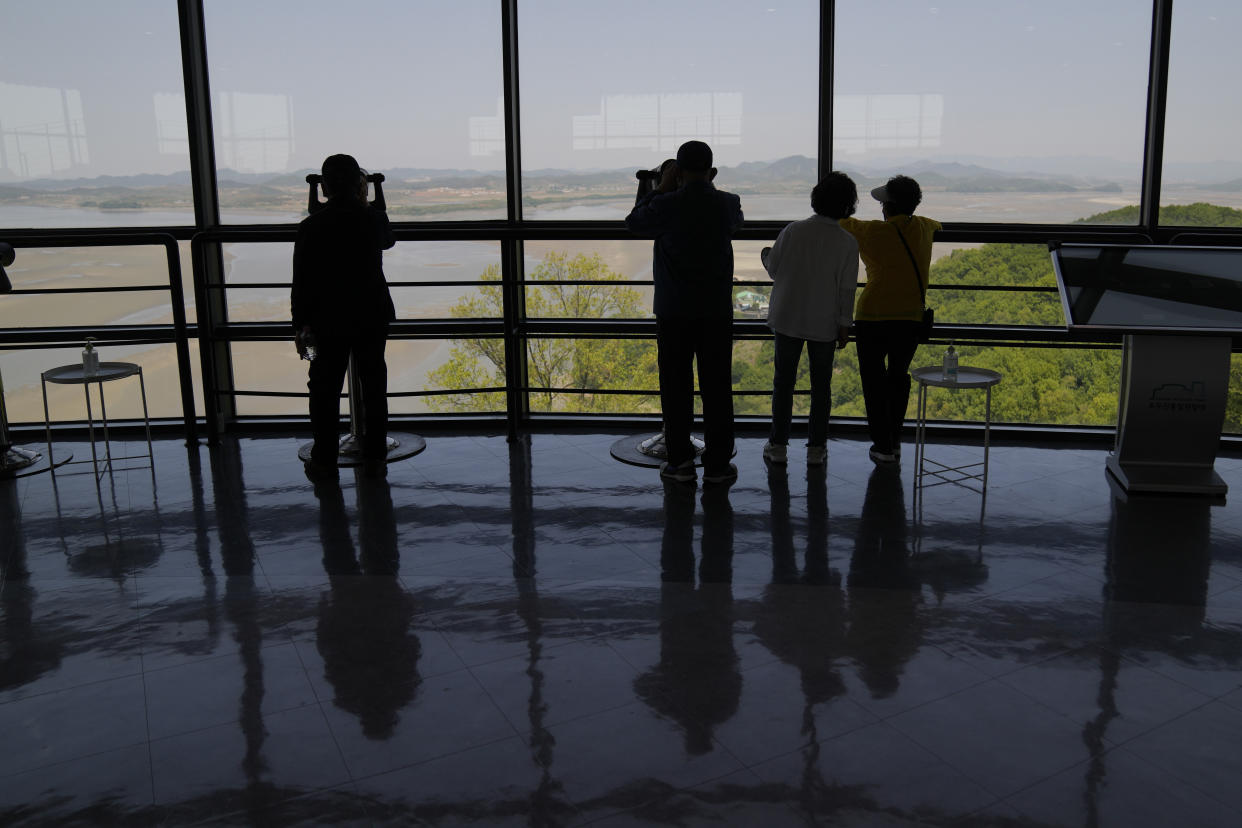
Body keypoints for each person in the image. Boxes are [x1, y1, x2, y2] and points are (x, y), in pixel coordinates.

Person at [626, 140, 744, 485]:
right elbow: (733, 223)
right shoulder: (728, 203)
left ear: (677, 170)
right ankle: (719, 464)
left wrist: (659, 189)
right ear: (712, 171)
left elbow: (634, 223)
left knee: (676, 386)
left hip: (674, 311)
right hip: (716, 311)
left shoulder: (665, 204)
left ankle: (679, 462)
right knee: (718, 387)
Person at [292, 153, 396, 480]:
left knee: (323, 390)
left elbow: (302, 280)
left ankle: (324, 459)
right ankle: (375, 457)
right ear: (358, 184)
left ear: (323, 187)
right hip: (371, 314)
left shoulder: (311, 226)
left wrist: (300, 325)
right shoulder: (373, 220)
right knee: (374, 385)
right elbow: (388, 238)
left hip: (326, 320)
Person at [840, 175, 940, 465]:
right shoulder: (925, 227)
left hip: (872, 316)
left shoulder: (871, 232)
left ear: (887, 207)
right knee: (898, 378)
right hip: (910, 317)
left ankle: (882, 445)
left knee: (873, 381)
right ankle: (894, 441)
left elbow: (840, 222)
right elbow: (938, 225)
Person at [761, 172, 859, 466]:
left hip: (788, 316)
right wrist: (845, 324)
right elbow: (846, 289)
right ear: (847, 205)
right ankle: (816, 447)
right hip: (825, 322)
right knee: (821, 386)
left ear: (816, 199)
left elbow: (775, 269)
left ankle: (778, 445)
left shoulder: (793, 231)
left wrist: (766, 255)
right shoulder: (847, 242)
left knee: (783, 383)